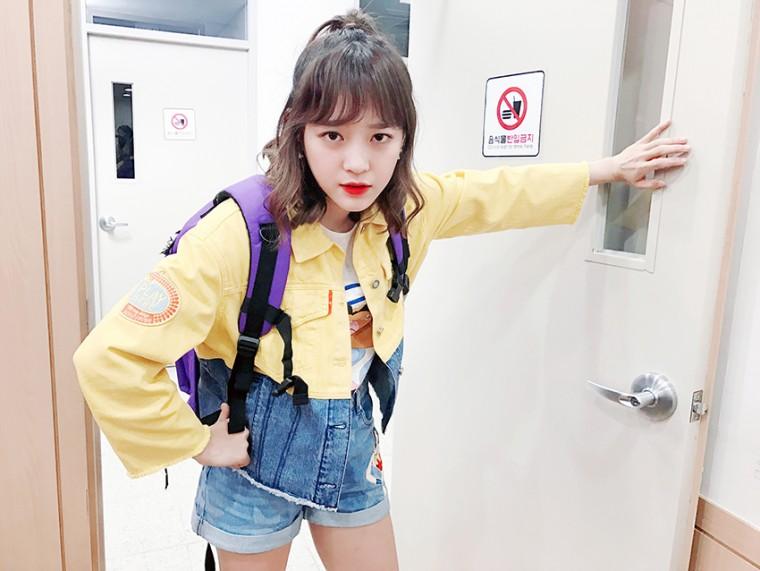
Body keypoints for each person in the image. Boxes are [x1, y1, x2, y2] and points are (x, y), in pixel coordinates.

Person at [73, 9, 690, 571]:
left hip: (350, 441)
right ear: (298, 133)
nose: (357, 164)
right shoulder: (239, 234)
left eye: (380, 137)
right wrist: (197, 442)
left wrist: (607, 171)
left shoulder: (407, 211)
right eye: (332, 136)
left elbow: (496, 193)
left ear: (402, 141)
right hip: (252, 456)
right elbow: (110, 357)